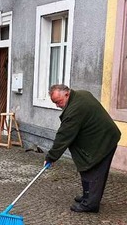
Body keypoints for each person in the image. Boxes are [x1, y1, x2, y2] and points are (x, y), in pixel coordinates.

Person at [44, 84, 121, 213]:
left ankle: (90, 204)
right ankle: (88, 196)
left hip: (104, 141)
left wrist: (51, 157)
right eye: (54, 103)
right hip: (98, 138)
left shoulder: (75, 109)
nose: (57, 105)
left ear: (67, 94)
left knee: (94, 171)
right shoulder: (80, 95)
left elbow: (64, 136)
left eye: (58, 102)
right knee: (86, 167)